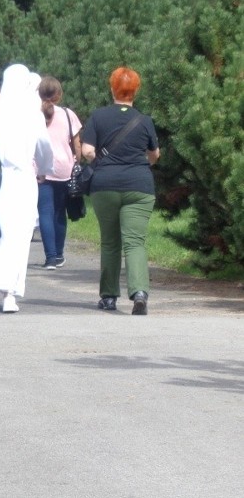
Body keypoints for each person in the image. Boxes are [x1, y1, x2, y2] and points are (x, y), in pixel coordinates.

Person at [81, 66, 160, 315]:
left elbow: (87, 151)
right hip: (139, 186)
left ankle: (109, 297)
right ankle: (139, 293)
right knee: (135, 241)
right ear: (135, 90)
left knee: (110, 242)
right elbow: (154, 155)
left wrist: (99, 159)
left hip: (105, 186)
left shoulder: (98, 116)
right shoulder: (144, 120)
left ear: (112, 88)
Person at [0, 64, 53, 313]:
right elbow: (43, 148)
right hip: (20, 181)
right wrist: (44, 168)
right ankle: (10, 294)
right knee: (16, 236)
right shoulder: (32, 112)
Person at [37, 76, 82, 270]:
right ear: (59, 94)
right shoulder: (67, 114)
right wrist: (77, 161)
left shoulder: (34, 114)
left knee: (45, 212)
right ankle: (60, 254)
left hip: (41, 169)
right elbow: (77, 144)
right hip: (64, 168)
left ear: (39, 93)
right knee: (59, 212)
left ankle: (50, 258)